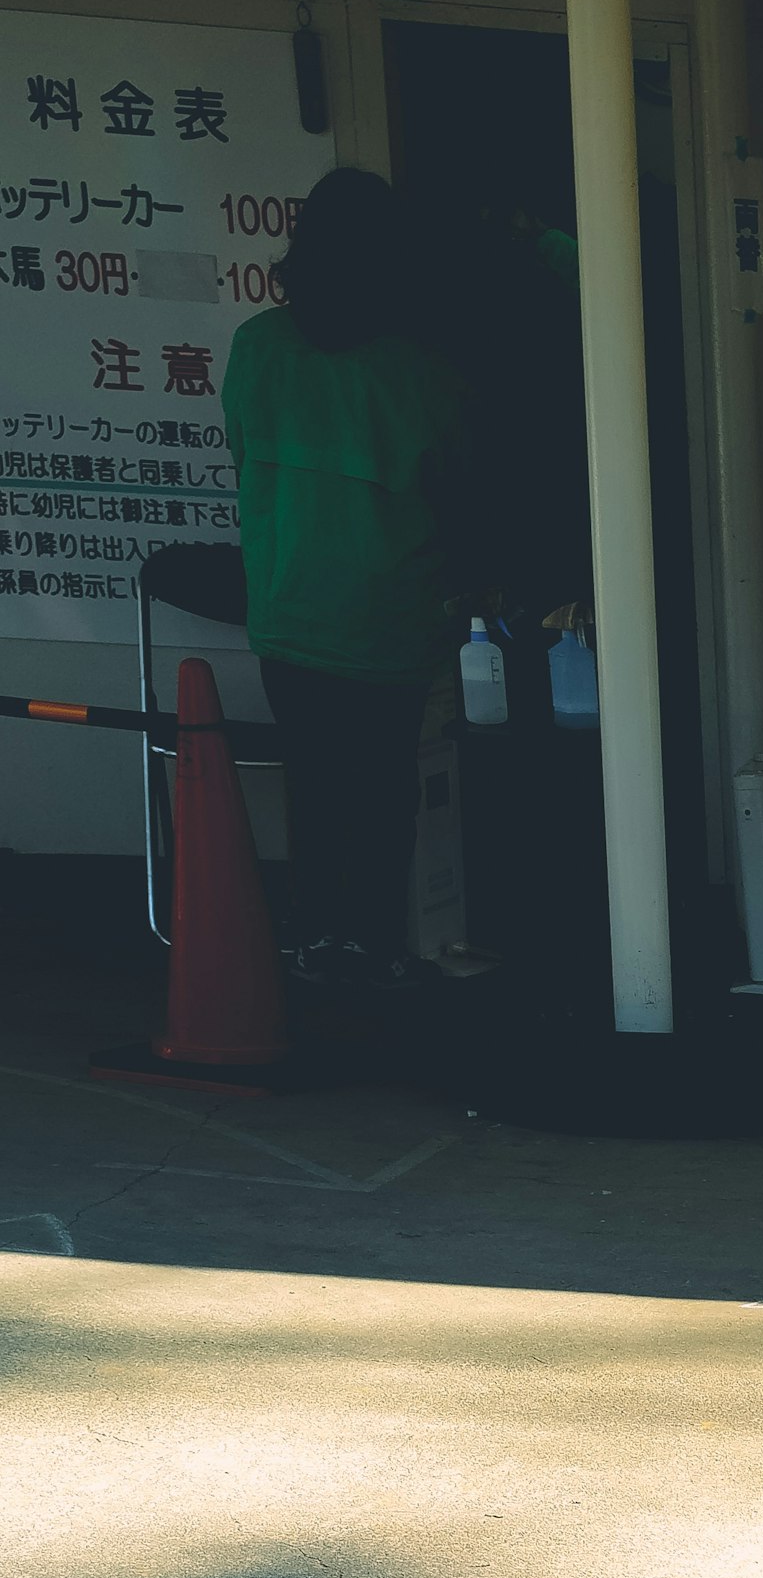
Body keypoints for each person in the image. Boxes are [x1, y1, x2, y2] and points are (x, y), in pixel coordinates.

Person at [219, 163, 462, 994]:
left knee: (314, 785)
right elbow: (456, 490)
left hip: (288, 613)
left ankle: (314, 939)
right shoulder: (421, 369)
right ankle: (373, 947)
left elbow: (241, 454)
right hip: (389, 620)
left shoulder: (256, 346)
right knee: (383, 791)